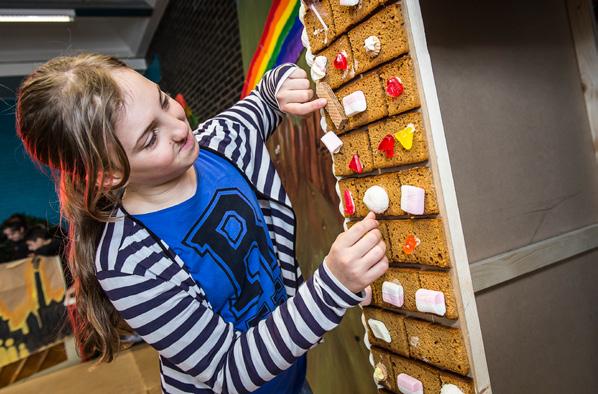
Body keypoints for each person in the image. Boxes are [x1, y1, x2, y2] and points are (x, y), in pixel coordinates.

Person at [15, 53, 388, 393]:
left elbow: (265, 98)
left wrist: (283, 84)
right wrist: (333, 286)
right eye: (149, 138)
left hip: (290, 376)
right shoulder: (127, 264)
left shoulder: (220, 143)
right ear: (109, 174)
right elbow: (228, 369)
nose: (179, 127)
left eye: (163, 101)